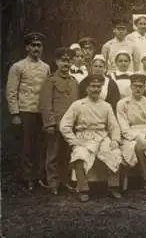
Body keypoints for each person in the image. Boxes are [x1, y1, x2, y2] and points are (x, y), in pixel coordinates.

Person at [59, 74, 123, 202]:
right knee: (80, 154)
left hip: (102, 136)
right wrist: (73, 141)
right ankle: (83, 189)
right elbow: (64, 125)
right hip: (84, 137)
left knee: (114, 152)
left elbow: (114, 126)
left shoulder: (106, 106)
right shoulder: (78, 104)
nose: (96, 89)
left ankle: (113, 187)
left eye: (98, 86)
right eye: (93, 86)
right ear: (86, 89)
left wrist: (115, 140)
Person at [6, 32, 50, 190]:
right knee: (27, 145)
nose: (36, 48)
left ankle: (38, 176)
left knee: (40, 145)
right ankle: (26, 177)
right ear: (27, 47)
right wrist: (15, 114)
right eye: (33, 45)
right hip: (25, 110)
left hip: (41, 111)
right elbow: (11, 92)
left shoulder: (46, 67)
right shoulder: (18, 67)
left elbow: (47, 91)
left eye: (39, 45)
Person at [39, 47, 79, 195]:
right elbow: (45, 103)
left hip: (70, 126)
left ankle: (65, 181)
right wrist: (49, 123)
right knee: (53, 154)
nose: (66, 64)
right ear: (56, 62)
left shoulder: (74, 82)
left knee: (67, 153)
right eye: (63, 61)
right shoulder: (51, 80)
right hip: (55, 124)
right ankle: (53, 182)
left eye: (68, 61)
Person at [116, 74, 146, 191]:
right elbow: (123, 125)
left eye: (140, 86)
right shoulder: (122, 103)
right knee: (134, 147)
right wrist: (136, 137)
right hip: (129, 135)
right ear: (131, 87)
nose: (138, 89)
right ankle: (145, 175)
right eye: (135, 86)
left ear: (144, 88)